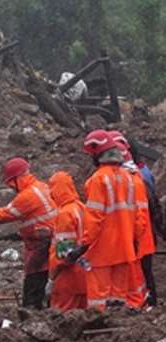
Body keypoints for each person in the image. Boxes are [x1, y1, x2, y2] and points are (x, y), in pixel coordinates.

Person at [67, 130, 145, 311]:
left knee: (98, 302)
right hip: (124, 249)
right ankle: (116, 334)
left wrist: (83, 245)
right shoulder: (130, 179)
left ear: (97, 155)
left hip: (102, 252)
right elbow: (138, 218)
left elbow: (94, 218)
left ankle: (100, 332)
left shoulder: (98, 180)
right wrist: (133, 240)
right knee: (118, 300)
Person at [0, 158, 57, 309]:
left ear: (16, 179)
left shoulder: (26, 197)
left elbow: (2, 215)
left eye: (10, 183)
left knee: (34, 278)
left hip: (41, 243)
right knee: (44, 275)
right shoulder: (40, 186)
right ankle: (41, 305)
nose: (10, 188)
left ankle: (33, 308)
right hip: (48, 239)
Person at [109, 131, 152, 309]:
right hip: (141, 238)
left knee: (140, 277)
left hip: (134, 240)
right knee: (144, 278)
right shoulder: (138, 175)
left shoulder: (131, 179)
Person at [45, 171, 87, 310]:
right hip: (85, 273)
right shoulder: (82, 207)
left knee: (61, 319)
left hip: (68, 279)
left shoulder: (65, 215)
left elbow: (65, 254)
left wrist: (52, 278)